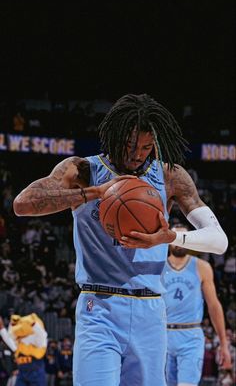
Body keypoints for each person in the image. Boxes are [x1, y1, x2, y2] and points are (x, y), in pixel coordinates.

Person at [12, 93, 229, 386]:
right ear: (114, 136)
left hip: (151, 313)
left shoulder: (169, 176)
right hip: (99, 307)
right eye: (129, 146)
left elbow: (219, 241)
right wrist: (94, 193)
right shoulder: (83, 170)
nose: (137, 154)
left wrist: (170, 237)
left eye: (147, 147)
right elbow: (23, 204)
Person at [161, 224, 231, 386]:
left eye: (183, 238)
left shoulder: (202, 267)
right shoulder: (158, 267)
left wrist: (223, 344)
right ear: (168, 240)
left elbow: (214, 306)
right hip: (162, 335)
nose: (179, 242)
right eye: (175, 238)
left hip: (191, 336)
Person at [0, 313, 48, 386]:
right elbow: (9, 340)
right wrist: (1, 328)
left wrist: (33, 324)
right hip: (22, 373)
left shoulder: (37, 342)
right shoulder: (19, 344)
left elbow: (42, 335)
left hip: (35, 372)